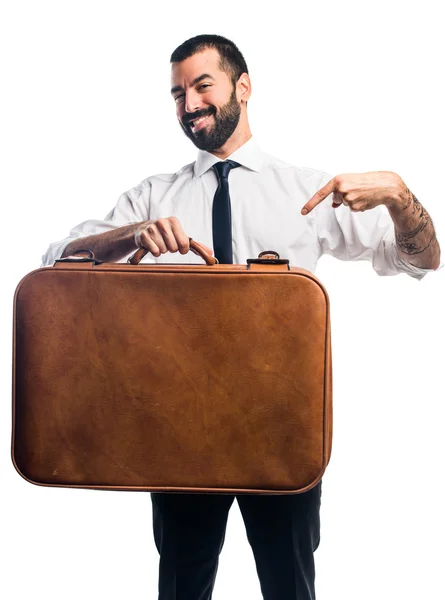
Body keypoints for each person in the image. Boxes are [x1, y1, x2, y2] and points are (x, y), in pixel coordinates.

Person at [42, 34, 441, 600]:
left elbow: (421, 259)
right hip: (179, 433)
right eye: (177, 93)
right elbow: (55, 262)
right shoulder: (157, 195)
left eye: (202, 85)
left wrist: (400, 196)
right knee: (181, 587)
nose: (189, 104)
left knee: (290, 587)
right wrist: (131, 235)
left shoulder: (306, 191)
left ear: (244, 87)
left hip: (282, 431)